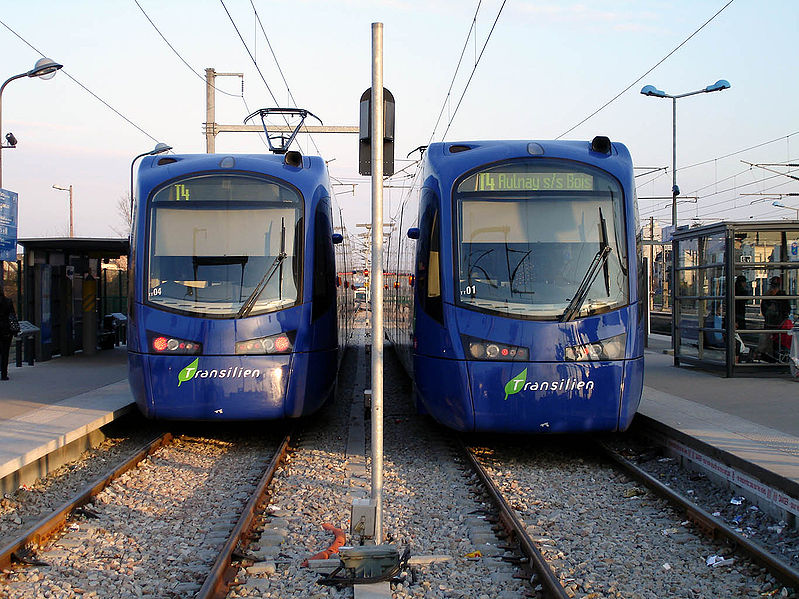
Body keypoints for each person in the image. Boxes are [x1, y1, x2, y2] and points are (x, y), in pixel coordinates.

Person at [756, 276, 791, 361]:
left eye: (775, 287)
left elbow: (785, 310)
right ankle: (770, 356)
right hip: (774, 324)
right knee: (770, 342)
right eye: (773, 286)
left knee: (774, 343)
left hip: (777, 324)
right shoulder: (772, 297)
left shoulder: (780, 297)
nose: (773, 289)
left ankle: (771, 356)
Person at [0, 287, 18, 380]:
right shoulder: (8, 302)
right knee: (5, 352)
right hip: (6, 330)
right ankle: (4, 374)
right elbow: (12, 316)